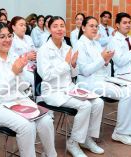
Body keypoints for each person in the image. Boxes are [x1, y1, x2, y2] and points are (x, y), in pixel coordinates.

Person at [0, 22, 57, 157]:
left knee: (46, 119)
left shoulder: (13, 56)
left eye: (9, 36)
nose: (7, 40)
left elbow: (24, 86)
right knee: (27, 126)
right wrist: (13, 73)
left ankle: (50, 154)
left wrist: (21, 73)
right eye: (2, 37)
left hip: (18, 100)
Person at [37, 16, 104, 157]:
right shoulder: (43, 50)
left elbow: (74, 72)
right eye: (55, 26)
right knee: (85, 106)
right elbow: (46, 76)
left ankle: (87, 138)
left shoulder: (68, 48)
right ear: (49, 29)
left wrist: (73, 65)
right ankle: (73, 142)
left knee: (98, 102)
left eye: (62, 25)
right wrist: (65, 63)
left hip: (69, 87)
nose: (60, 29)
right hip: (53, 91)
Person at [76, 16, 131, 145]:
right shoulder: (80, 44)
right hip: (88, 82)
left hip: (102, 78)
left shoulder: (96, 43)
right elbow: (85, 71)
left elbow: (104, 65)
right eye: (91, 26)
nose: (95, 28)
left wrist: (106, 62)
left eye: (96, 26)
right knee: (126, 93)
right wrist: (103, 60)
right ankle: (120, 132)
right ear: (83, 27)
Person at [10, 16, 36, 92]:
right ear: (13, 27)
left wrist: (36, 54)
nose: (24, 27)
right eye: (21, 25)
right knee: (33, 79)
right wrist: (27, 57)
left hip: (33, 65)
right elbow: (11, 57)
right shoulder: (11, 39)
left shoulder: (28, 38)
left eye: (25, 25)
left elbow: (34, 50)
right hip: (22, 68)